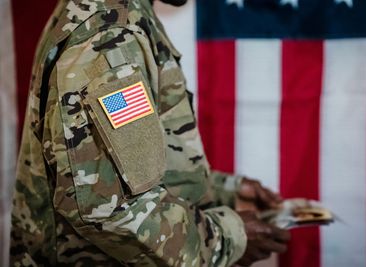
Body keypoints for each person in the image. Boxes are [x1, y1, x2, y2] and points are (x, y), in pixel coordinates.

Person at [10, 0, 290, 266]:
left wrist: (222, 192)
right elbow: (110, 208)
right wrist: (229, 237)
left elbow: (129, 166)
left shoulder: (123, 14)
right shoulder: (109, 36)